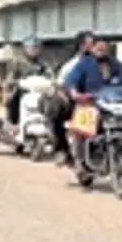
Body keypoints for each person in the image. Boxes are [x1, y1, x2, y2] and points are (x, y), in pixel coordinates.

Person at [62, 36, 122, 163]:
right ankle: (81, 160)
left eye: (104, 47)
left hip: (113, 105)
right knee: (82, 127)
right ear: (92, 48)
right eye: (98, 47)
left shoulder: (115, 63)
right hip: (90, 103)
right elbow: (71, 81)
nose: (101, 50)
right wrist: (74, 93)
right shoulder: (84, 63)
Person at [50, 30, 95, 165]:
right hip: (78, 103)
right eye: (91, 44)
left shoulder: (101, 63)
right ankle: (62, 150)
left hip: (100, 103)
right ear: (82, 46)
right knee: (56, 113)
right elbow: (60, 85)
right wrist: (66, 97)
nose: (94, 47)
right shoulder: (71, 66)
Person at [2, 35, 52, 127]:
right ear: (25, 48)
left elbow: (49, 75)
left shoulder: (42, 64)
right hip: (21, 89)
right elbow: (10, 78)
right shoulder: (17, 62)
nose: (34, 50)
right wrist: (11, 85)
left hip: (37, 90)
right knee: (13, 96)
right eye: (31, 47)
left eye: (36, 48)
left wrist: (52, 81)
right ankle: (13, 122)